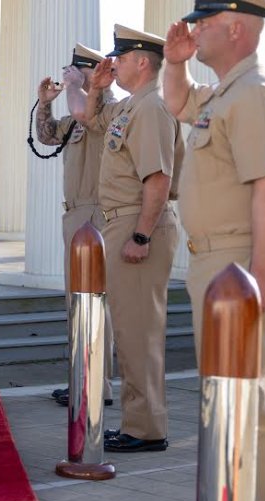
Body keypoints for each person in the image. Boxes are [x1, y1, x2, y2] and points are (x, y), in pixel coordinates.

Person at [163, 1, 265, 501]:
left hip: (243, 263)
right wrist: (175, 63)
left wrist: (261, 275)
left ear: (236, 27)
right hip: (223, 265)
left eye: (204, 22)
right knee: (234, 405)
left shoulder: (254, 94)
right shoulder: (225, 92)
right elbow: (178, 103)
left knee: (247, 407)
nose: (193, 29)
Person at [83, 25, 184, 452]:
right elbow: (90, 120)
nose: (114, 64)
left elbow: (158, 179)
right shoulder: (130, 106)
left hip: (138, 225)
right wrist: (96, 88)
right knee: (128, 329)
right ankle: (136, 421)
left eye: (120, 59)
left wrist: (141, 235)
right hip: (121, 223)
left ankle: (146, 428)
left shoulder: (151, 109)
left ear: (142, 62)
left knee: (139, 331)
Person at [36, 44, 115, 409]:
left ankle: (97, 384)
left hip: (97, 214)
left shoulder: (106, 110)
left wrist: (75, 88)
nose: (67, 75)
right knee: (77, 303)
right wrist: (44, 102)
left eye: (74, 70)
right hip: (76, 215)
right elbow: (49, 136)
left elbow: (88, 114)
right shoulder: (76, 111)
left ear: (92, 72)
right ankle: (84, 380)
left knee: (94, 303)